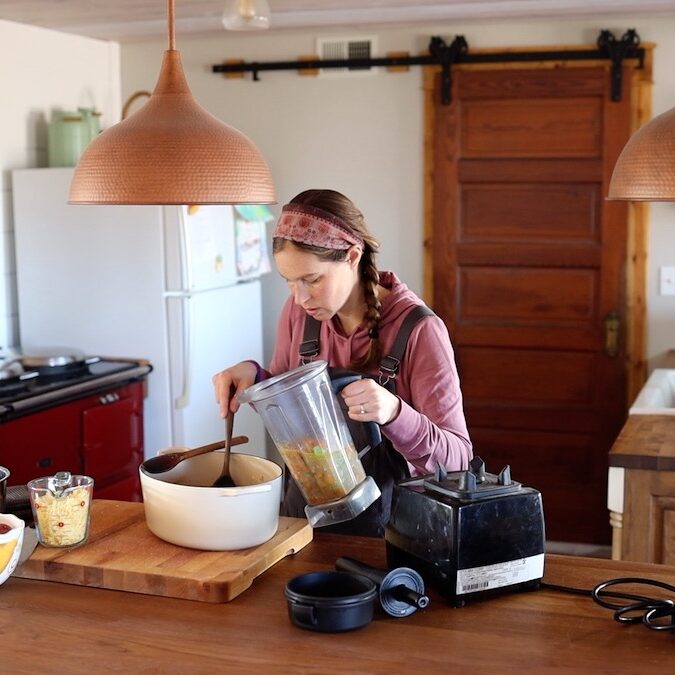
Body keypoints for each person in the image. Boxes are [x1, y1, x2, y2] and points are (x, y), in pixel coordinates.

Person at [213, 189, 472, 536]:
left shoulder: (420, 331)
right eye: (290, 282)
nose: (300, 297)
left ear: (352, 255)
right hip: (304, 526)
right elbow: (290, 409)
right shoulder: (299, 313)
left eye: (312, 279)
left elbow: (457, 461)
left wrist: (395, 413)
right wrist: (257, 378)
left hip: (393, 540)